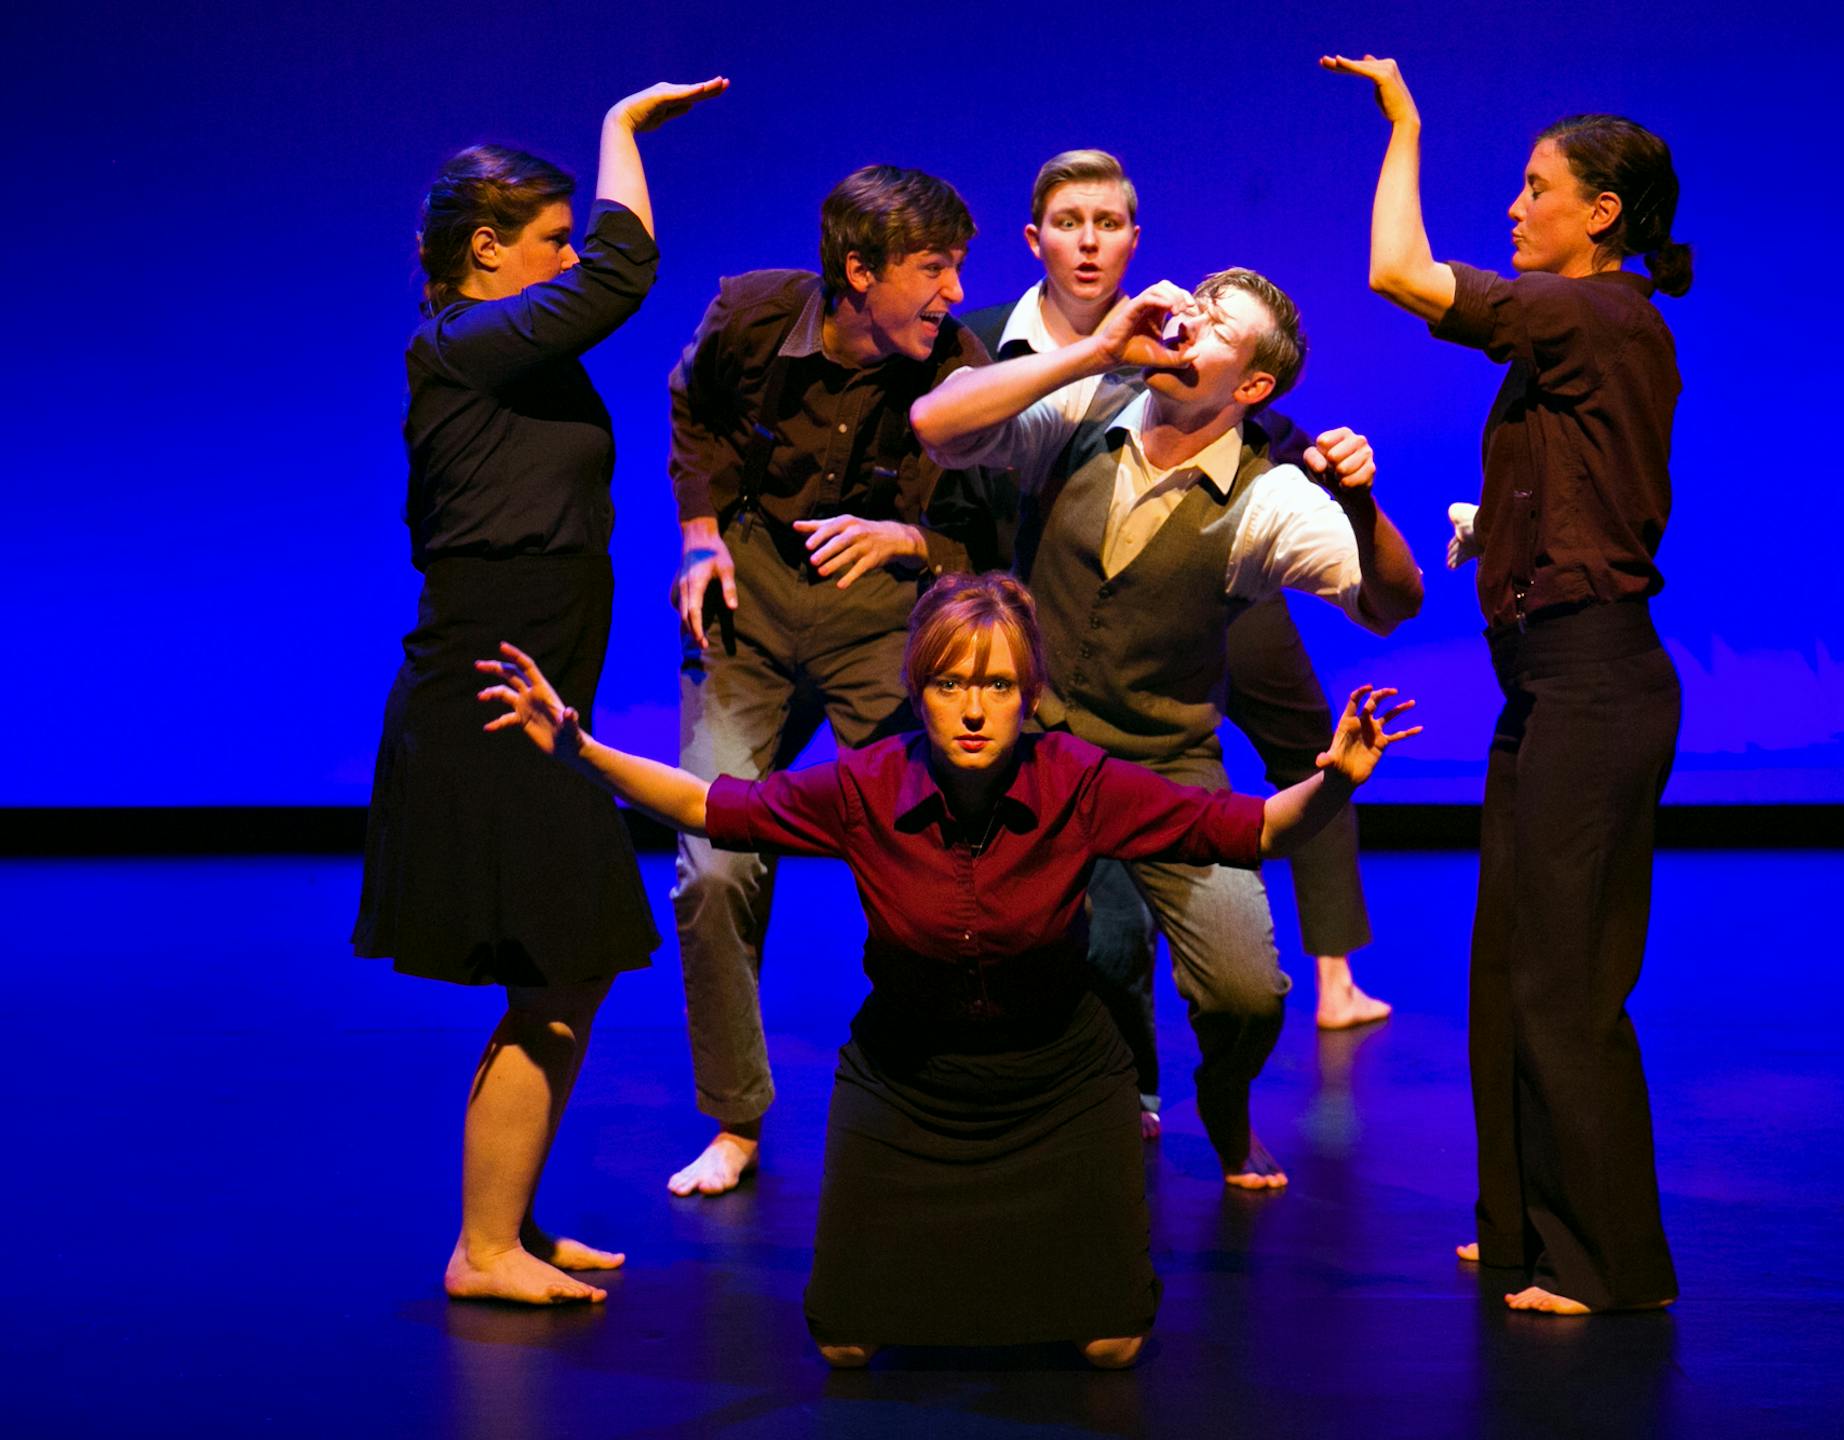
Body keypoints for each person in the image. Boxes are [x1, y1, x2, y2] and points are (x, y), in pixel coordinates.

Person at [474, 573, 1421, 1362]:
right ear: (917, 690)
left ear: (1030, 694)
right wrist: (580, 750)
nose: (973, 708)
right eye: (949, 683)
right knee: (845, 1342)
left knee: (1112, 1344)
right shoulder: (865, 784)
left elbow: (1250, 829)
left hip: (1059, 1077)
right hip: (907, 1078)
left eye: (999, 685)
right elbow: (706, 805)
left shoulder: (1078, 779)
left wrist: (1334, 780)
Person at [909, 269, 1427, 1188]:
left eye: (1219, 325)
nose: (1190, 320)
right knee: (1026, 952)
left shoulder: (1267, 498)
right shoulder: (1089, 404)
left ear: (1253, 385)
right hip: (1039, 753)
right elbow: (936, 424)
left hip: (1164, 767)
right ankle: (1064, 1114)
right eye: (1196, 302)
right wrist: (1096, 348)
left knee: (1246, 992)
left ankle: (1223, 1098)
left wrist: (1360, 502)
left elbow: (1391, 604)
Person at [351, 75, 729, 1305]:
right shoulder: (461, 345)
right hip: (490, 691)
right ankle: (484, 1248)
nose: (568, 258)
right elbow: (623, 275)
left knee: (560, 970)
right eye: (549, 238)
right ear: (484, 248)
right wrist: (621, 132)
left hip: (534, 689)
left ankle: (502, 1223)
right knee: (564, 963)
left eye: (569, 235)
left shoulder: (507, 359)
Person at [1323, 53, 1691, 1315]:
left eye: (1539, 189)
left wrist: (1405, 124)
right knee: (1508, 963)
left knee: (1566, 976)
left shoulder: (1597, 315)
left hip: (1596, 682)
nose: (1517, 207)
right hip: (1548, 684)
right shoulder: (1579, 341)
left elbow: (1398, 272)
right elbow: (1600, 487)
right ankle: (1525, 1226)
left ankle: (1605, 1261)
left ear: (1602, 212)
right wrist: (1503, 531)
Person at [663, 167, 992, 1198]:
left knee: (926, 857)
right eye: (932, 269)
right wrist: (701, 533)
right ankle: (736, 1118)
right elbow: (693, 408)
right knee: (715, 866)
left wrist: (909, 540)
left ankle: (938, 1096)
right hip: (752, 604)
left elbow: (991, 535)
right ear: (859, 272)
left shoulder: (960, 368)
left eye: (957, 267)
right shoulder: (752, 316)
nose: (953, 292)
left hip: (878, 617)